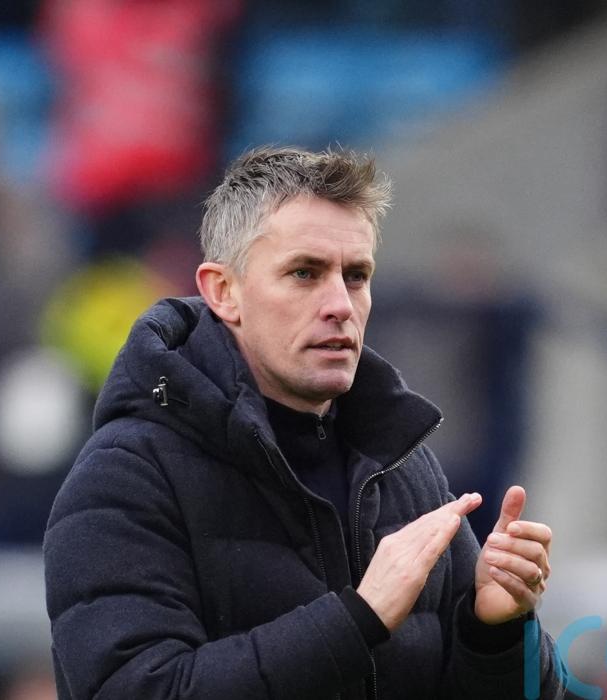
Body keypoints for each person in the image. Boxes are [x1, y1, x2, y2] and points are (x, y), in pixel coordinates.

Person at [44, 146, 566, 698]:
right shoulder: (126, 476)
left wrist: (495, 632)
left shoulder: (402, 465)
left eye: (356, 276)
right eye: (304, 273)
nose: (340, 303)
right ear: (223, 291)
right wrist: (357, 618)